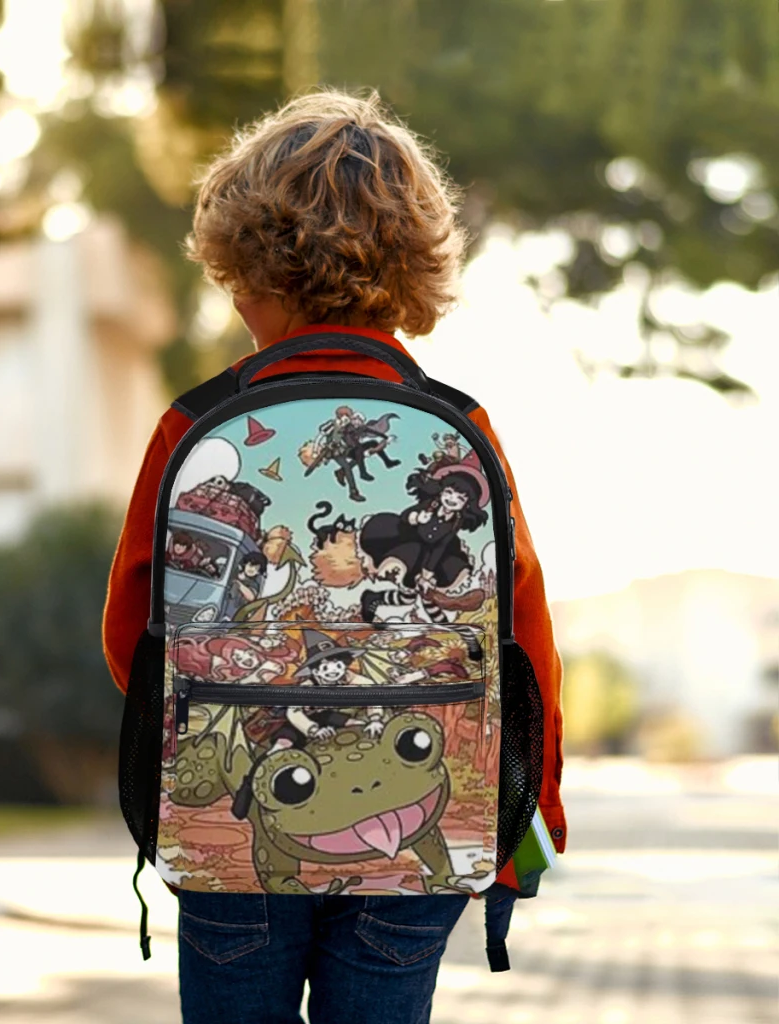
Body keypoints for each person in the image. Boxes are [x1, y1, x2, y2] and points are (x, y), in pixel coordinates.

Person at [102, 89, 566, 1024]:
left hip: (236, 825)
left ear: (247, 270)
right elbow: (523, 637)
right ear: (414, 270)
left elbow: (131, 636)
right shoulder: (460, 427)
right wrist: (533, 811)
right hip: (423, 822)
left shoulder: (193, 427)